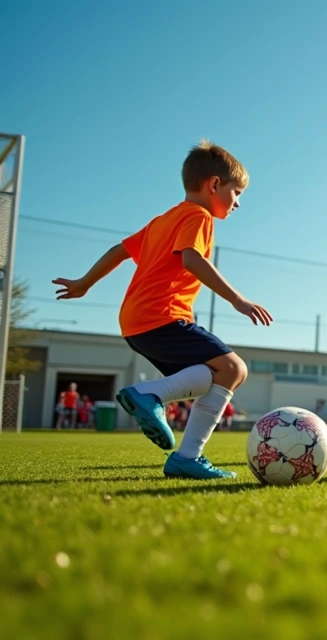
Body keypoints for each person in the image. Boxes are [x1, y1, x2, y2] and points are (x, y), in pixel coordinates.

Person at [54, 141, 271, 479]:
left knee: (210, 376)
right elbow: (192, 258)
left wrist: (85, 283)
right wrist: (237, 300)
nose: (238, 202)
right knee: (235, 369)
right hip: (163, 315)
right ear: (214, 184)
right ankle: (150, 397)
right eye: (236, 192)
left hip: (134, 321)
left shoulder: (163, 219)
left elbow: (119, 250)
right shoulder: (199, 216)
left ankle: (184, 454)